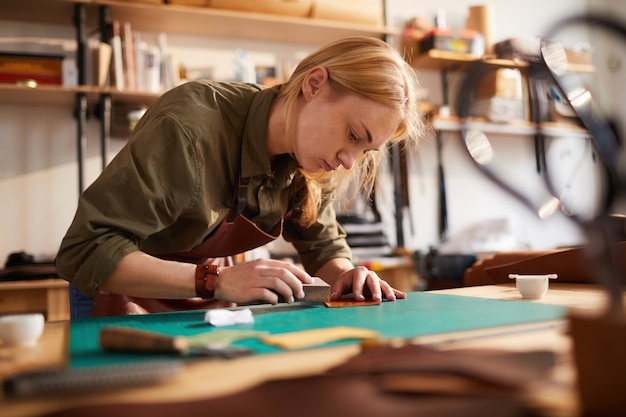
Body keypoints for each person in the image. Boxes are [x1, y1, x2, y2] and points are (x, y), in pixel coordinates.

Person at [56, 36, 425, 318]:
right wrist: (217, 280)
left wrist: (348, 275)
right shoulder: (190, 126)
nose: (349, 161)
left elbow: (323, 248)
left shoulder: (312, 158)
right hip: (118, 292)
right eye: (352, 135)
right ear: (314, 84)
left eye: (365, 150)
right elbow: (86, 249)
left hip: (205, 300)